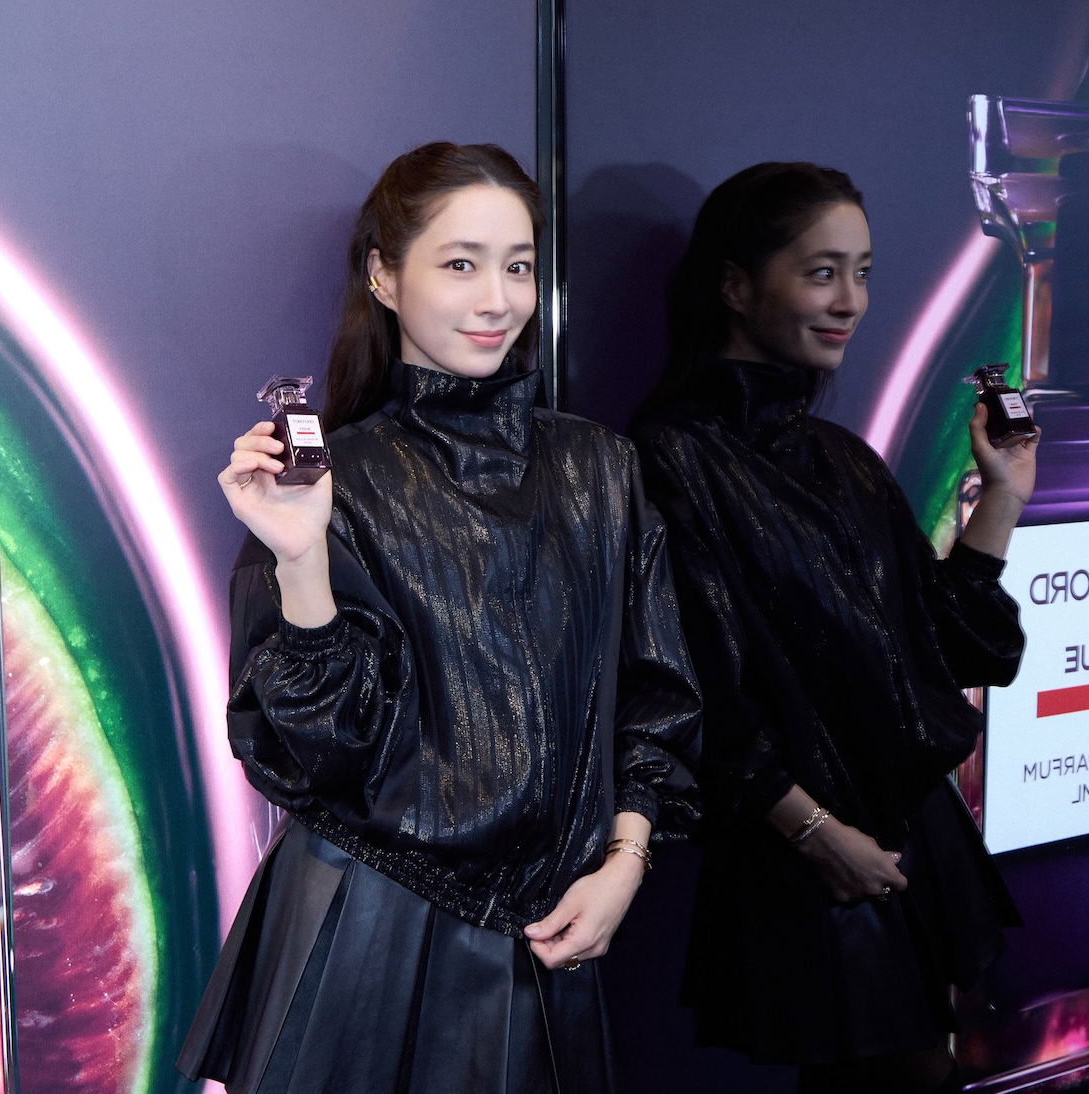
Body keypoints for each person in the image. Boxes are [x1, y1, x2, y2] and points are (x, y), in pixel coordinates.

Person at [178, 141, 702, 1094]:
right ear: (384, 277)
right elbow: (317, 755)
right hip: (366, 922)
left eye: (519, 266)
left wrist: (626, 861)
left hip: (550, 928)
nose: (497, 299)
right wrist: (300, 555)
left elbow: (656, 697)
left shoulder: (600, 468)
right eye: (461, 264)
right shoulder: (328, 482)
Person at [627, 162, 1036, 1094]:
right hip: (806, 851)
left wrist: (1003, 498)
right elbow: (693, 690)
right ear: (736, 286)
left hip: (913, 838)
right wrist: (813, 833)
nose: (851, 301)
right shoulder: (669, 458)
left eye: (862, 272)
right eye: (821, 273)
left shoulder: (842, 458)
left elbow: (960, 646)